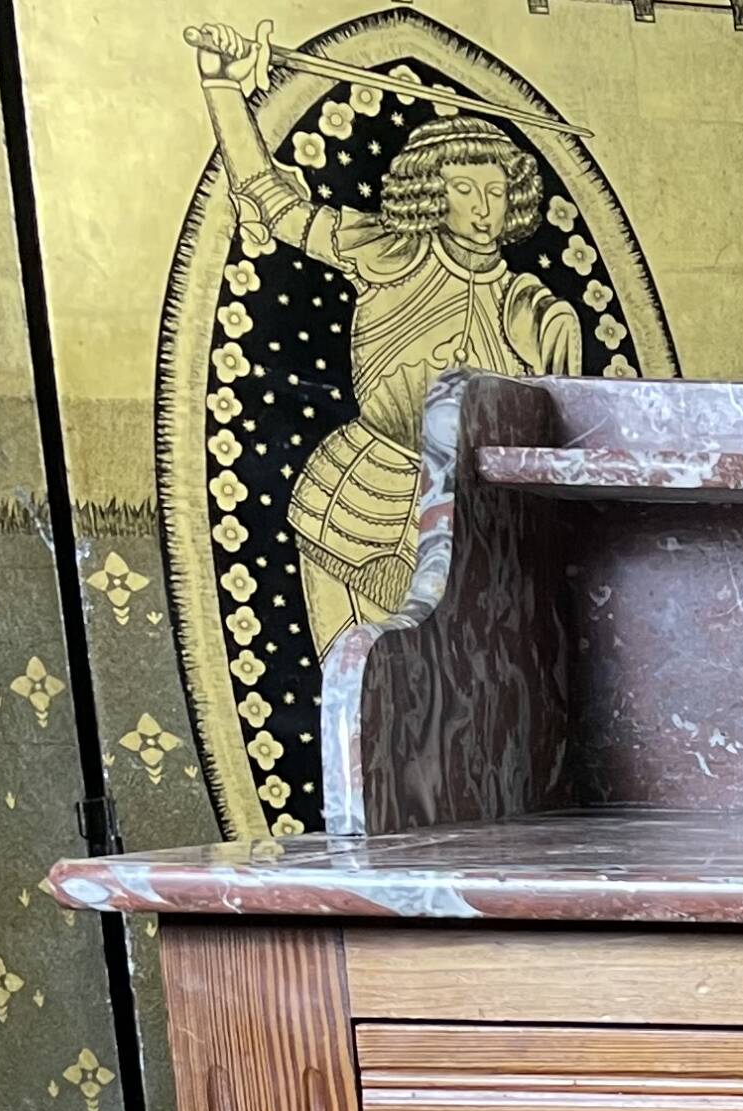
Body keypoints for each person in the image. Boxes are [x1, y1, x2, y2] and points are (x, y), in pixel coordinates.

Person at [186, 19, 584, 653]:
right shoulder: (390, 252)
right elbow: (273, 203)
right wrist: (222, 87)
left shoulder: (530, 306)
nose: (483, 208)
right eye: (463, 189)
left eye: (496, 189)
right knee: (353, 699)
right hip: (351, 500)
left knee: (459, 708)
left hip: (471, 525)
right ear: (432, 192)